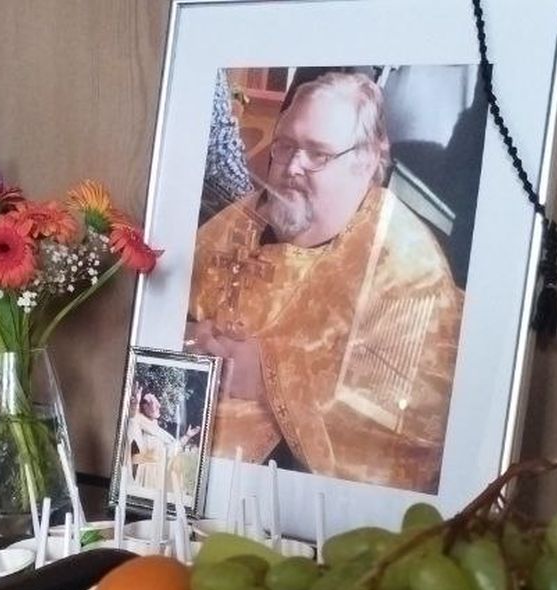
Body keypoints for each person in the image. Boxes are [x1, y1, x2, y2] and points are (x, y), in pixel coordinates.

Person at [186, 71, 464, 493]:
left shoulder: (406, 267)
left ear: (366, 160)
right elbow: (171, 312)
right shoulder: (239, 223)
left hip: (299, 501)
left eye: (317, 153)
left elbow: (409, 430)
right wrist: (193, 340)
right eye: (284, 146)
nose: (291, 166)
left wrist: (266, 381)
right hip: (186, 479)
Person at [126, 392, 202, 494]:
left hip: (159, 477)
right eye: (153, 403)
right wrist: (135, 405)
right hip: (148, 476)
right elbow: (132, 422)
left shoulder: (158, 431)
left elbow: (170, 450)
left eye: (158, 403)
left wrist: (187, 436)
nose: (159, 406)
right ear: (144, 407)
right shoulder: (138, 423)